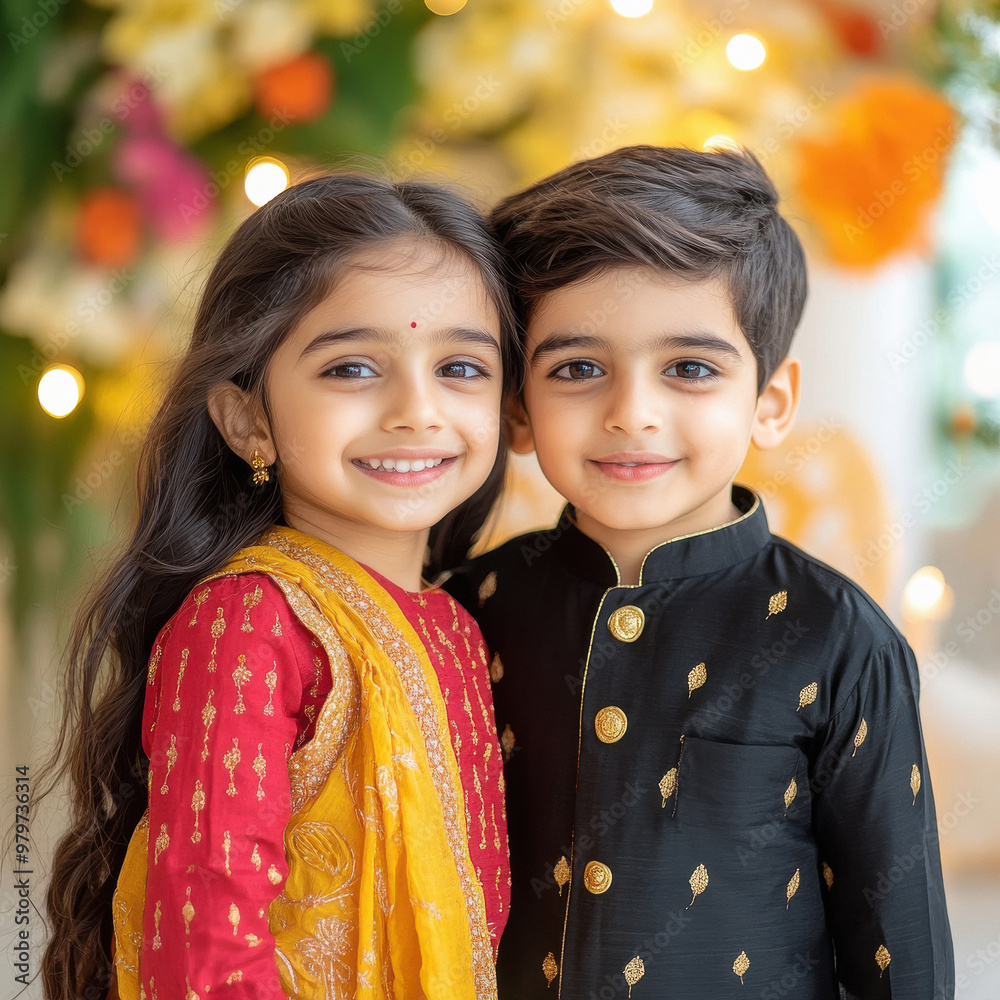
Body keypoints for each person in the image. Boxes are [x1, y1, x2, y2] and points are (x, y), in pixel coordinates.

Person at [444, 145, 954, 1000]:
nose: (632, 412)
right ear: (517, 411)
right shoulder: (467, 610)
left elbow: (897, 944)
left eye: (690, 368)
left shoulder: (837, 638)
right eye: (577, 369)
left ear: (771, 401)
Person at [41, 172, 518, 1000]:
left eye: (462, 368)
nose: (417, 409)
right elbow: (204, 948)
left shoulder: (457, 624)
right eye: (354, 368)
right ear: (247, 420)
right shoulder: (248, 621)